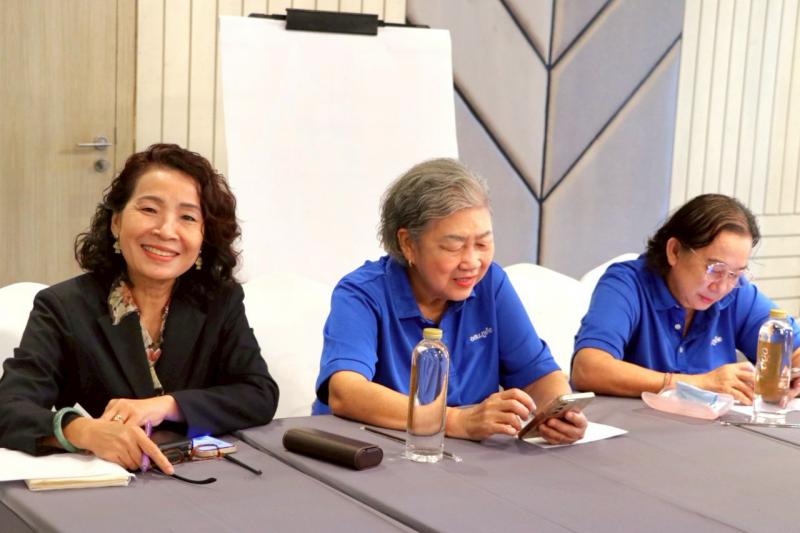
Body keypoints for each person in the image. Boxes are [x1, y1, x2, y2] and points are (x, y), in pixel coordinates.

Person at [0, 144, 279, 474]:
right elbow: (9, 407)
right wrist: (82, 431)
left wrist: (168, 405)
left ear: (204, 237)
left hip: (202, 477)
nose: (166, 231)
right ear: (116, 221)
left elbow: (258, 393)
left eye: (188, 217)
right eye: (149, 209)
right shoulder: (63, 307)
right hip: (103, 484)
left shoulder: (220, 300)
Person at [313, 158, 587, 444]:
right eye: (454, 246)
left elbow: (537, 374)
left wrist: (561, 412)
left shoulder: (490, 283)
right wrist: (455, 420)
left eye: (482, 244)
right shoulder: (362, 293)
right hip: (369, 451)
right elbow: (345, 392)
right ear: (408, 244)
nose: (472, 262)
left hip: (463, 455)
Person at [571, 193, 800, 404]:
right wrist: (698, 384)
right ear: (675, 251)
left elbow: (795, 352)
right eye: (715, 269)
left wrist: (792, 379)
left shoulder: (736, 292)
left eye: (735, 274)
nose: (722, 287)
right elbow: (588, 369)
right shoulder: (627, 284)